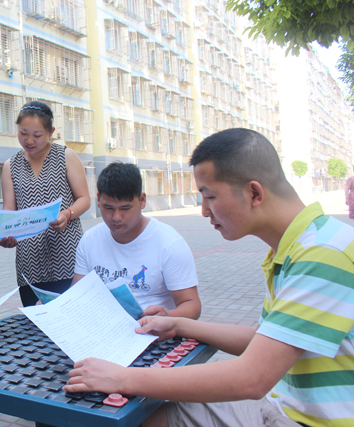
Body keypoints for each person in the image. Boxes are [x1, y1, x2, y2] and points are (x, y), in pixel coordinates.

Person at [65, 128, 354, 427]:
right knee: (138, 418)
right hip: (279, 404)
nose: (204, 211)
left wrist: (123, 378)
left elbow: (252, 378)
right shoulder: (295, 249)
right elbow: (260, 339)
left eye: (210, 196)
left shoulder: (323, 254)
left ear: (254, 193)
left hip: (306, 420)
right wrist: (178, 324)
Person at [73, 162, 201, 319]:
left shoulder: (169, 244)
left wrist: (166, 317)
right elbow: (77, 294)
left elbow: (192, 305)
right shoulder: (89, 240)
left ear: (142, 200)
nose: (116, 217)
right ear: (98, 200)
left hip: (153, 330)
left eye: (125, 208)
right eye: (109, 208)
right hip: (102, 326)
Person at [0, 101, 90, 306]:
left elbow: (84, 199)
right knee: (36, 321)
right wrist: (7, 234)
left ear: (51, 132)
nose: (29, 140)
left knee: (72, 316)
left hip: (68, 256)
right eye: (23, 133)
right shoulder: (10, 166)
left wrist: (67, 214)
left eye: (37, 135)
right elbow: (9, 212)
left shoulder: (66, 156)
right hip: (30, 262)